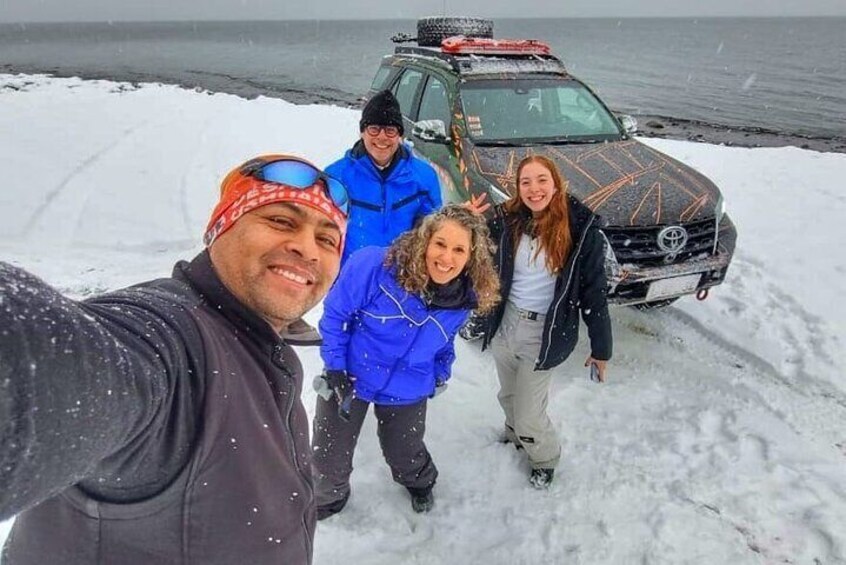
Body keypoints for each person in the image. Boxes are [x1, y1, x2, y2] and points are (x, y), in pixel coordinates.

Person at [0, 154, 349, 564]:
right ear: (221, 227)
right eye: (280, 221)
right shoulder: (168, 338)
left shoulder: (263, 345)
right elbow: (50, 367)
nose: (306, 248)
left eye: (327, 240)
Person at [311, 205, 500, 519]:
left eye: (459, 249)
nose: (447, 257)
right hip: (352, 373)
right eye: (440, 243)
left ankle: (420, 483)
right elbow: (335, 316)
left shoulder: (462, 299)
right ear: (424, 240)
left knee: (404, 450)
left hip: (409, 385)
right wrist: (334, 367)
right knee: (329, 451)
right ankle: (328, 498)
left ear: (471, 257)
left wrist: (440, 372)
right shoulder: (376, 265)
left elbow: (445, 341)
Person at [478, 155, 613, 490]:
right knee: (508, 395)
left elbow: (594, 294)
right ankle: (515, 436)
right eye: (526, 182)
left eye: (541, 180)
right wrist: (468, 218)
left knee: (529, 412)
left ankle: (544, 457)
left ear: (556, 184)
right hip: (505, 323)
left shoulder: (581, 233)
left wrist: (602, 349)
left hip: (544, 333)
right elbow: (472, 248)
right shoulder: (507, 221)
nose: (534, 189)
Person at [283, 89, 444, 345]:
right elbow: (318, 232)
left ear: (400, 136)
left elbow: (433, 228)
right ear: (362, 131)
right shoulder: (337, 176)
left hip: (401, 280)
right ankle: (336, 377)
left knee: (392, 343)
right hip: (350, 279)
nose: (382, 138)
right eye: (374, 129)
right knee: (344, 337)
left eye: (391, 130)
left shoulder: (423, 176)